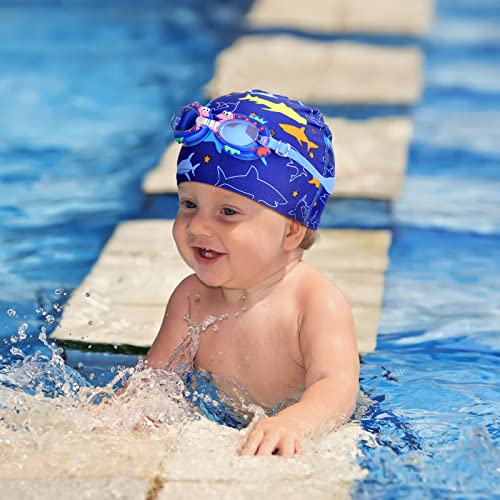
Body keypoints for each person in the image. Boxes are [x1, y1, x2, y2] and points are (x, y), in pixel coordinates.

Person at [145, 89, 359, 457]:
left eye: (228, 212)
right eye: (189, 204)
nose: (198, 226)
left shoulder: (313, 301)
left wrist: (297, 422)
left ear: (291, 231)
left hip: (294, 423)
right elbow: (156, 380)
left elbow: (336, 383)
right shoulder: (191, 297)